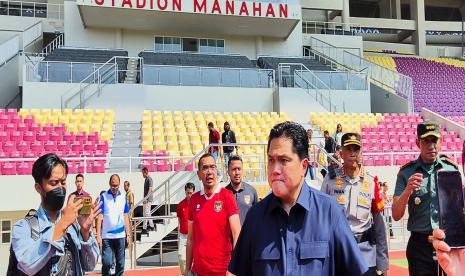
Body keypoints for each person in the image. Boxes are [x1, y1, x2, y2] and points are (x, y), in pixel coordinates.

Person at [228, 122, 368, 275]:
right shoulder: (255, 218)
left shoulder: (330, 213)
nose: (275, 170)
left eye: (284, 160)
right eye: (271, 160)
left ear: (304, 166)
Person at [10, 153, 100, 275]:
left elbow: (90, 265)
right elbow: (28, 265)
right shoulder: (23, 228)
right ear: (39, 188)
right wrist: (62, 225)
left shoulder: (74, 226)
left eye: (63, 182)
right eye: (53, 183)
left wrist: (85, 232)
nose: (60, 188)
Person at [392, 121, 460, 276]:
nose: (431, 146)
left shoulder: (451, 169)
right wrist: (408, 190)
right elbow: (396, 215)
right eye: (426, 141)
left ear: (441, 141)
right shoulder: (406, 172)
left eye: (434, 140)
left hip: (447, 243)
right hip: (419, 247)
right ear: (418, 143)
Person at [320, 133, 388, 276]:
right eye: (348, 149)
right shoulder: (330, 180)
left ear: (361, 152)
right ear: (341, 152)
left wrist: (382, 262)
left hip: (366, 256)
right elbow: (321, 219)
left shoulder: (371, 182)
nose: (352, 153)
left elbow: (380, 227)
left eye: (356, 149)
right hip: (338, 254)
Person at [185, 153, 241, 276]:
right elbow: (190, 239)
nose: (209, 171)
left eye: (212, 167)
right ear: (199, 175)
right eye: (205, 168)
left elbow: (237, 233)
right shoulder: (194, 200)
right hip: (198, 272)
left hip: (222, 271)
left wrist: (234, 267)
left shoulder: (227, 196)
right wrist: (187, 269)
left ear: (216, 171)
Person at [96, 174, 132, 276]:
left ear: (119, 184)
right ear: (109, 184)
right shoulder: (103, 197)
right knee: (107, 262)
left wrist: (128, 234)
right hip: (107, 237)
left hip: (120, 237)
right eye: (112, 185)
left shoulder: (123, 197)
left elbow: (125, 216)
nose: (114, 188)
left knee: (120, 264)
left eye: (116, 186)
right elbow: (100, 216)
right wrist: (98, 235)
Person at [225, 155, 258, 225]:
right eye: (234, 169)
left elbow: (257, 217)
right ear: (228, 172)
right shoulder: (224, 193)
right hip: (230, 236)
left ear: (242, 171)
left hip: (248, 235)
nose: (237, 173)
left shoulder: (252, 191)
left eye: (239, 169)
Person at [176, 182, 195, 275]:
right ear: (185, 192)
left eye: (191, 193)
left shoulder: (196, 205)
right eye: (188, 193)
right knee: (181, 257)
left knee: (196, 260)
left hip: (194, 236)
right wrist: (178, 234)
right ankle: (185, 274)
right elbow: (179, 219)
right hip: (183, 236)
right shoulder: (180, 205)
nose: (189, 195)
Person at [142, 167, 155, 234]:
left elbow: (150, 189)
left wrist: (146, 198)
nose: (142, 175)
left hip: (148, 199)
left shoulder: (149, 179)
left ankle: (151, 226)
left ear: (145, 172)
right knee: (145, 213)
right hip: (146, 199)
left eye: (142, 173)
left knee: (147, 213)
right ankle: (144, 228)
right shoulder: (146, 179)